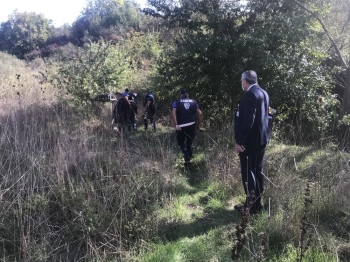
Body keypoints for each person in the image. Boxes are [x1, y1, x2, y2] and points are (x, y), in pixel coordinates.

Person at [234, 70, 270, 214]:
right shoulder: (263, 92)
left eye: (242, 80)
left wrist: (241, 142)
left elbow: (249, 120)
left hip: (250, 142)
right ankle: (257, 203)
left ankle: (251, 206)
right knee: (257, 171)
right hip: (261, 139)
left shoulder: (250, 94)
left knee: (249, 173)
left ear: (245, 81)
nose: (241, 83)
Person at [171, 89, 202, 168]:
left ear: (181, 95)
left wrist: (176, 124)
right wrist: (199, 125)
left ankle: (185, 154)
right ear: (187, 95)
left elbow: (173, 113)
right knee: (189, 142)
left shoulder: (177, 102)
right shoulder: (194, 102)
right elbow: (200, 113)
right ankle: (188, 162)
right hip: (192, 125)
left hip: (181, 126)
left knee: (180, 142)